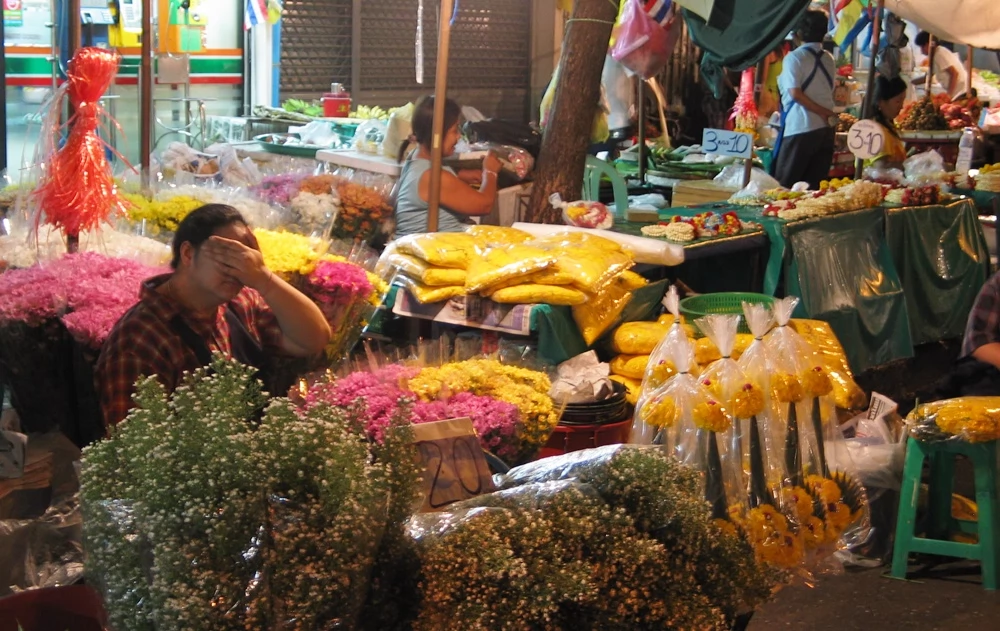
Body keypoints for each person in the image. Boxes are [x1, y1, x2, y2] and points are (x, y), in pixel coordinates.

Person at [95, 204, 331, 427]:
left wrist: (264, 278)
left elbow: (312, 340)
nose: (237, 270)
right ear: (188, 253)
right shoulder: (139, 340)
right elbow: (132, 442)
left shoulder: (240, 302)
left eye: (244, 258)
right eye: (226, 256)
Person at [393, 96, 502, 237]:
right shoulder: (433, 177)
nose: (458, 136)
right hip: (433, 249)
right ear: (436, 135)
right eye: (454, 131)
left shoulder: (415, 157)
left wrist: (460, 175)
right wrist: (490, 172)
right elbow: (484, 205)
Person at [772, 10, 838, 190]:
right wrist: (826, 114)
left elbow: (795, 93)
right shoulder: (829, 59)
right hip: (825, 131)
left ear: (798, 33)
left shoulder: (794, 58)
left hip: (800, 128)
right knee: (814, 189)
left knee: (784, 187)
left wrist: (823, 112)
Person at [865, 75, 909, 171]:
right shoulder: (875, 131)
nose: (901, 106)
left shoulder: (888, 126)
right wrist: (911, 165)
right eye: (898, 101)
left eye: (903, 101)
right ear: (881, 102)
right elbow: (881, 168)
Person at [913, 31, 968, 100]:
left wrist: (949, 95)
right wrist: (911, 83)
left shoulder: (939, 53)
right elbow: (927, 77)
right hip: (955, 91)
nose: (921, 51)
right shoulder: (934, 55)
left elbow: (954, 73)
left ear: (927, 44)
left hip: (959, 92)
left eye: (922, 47)